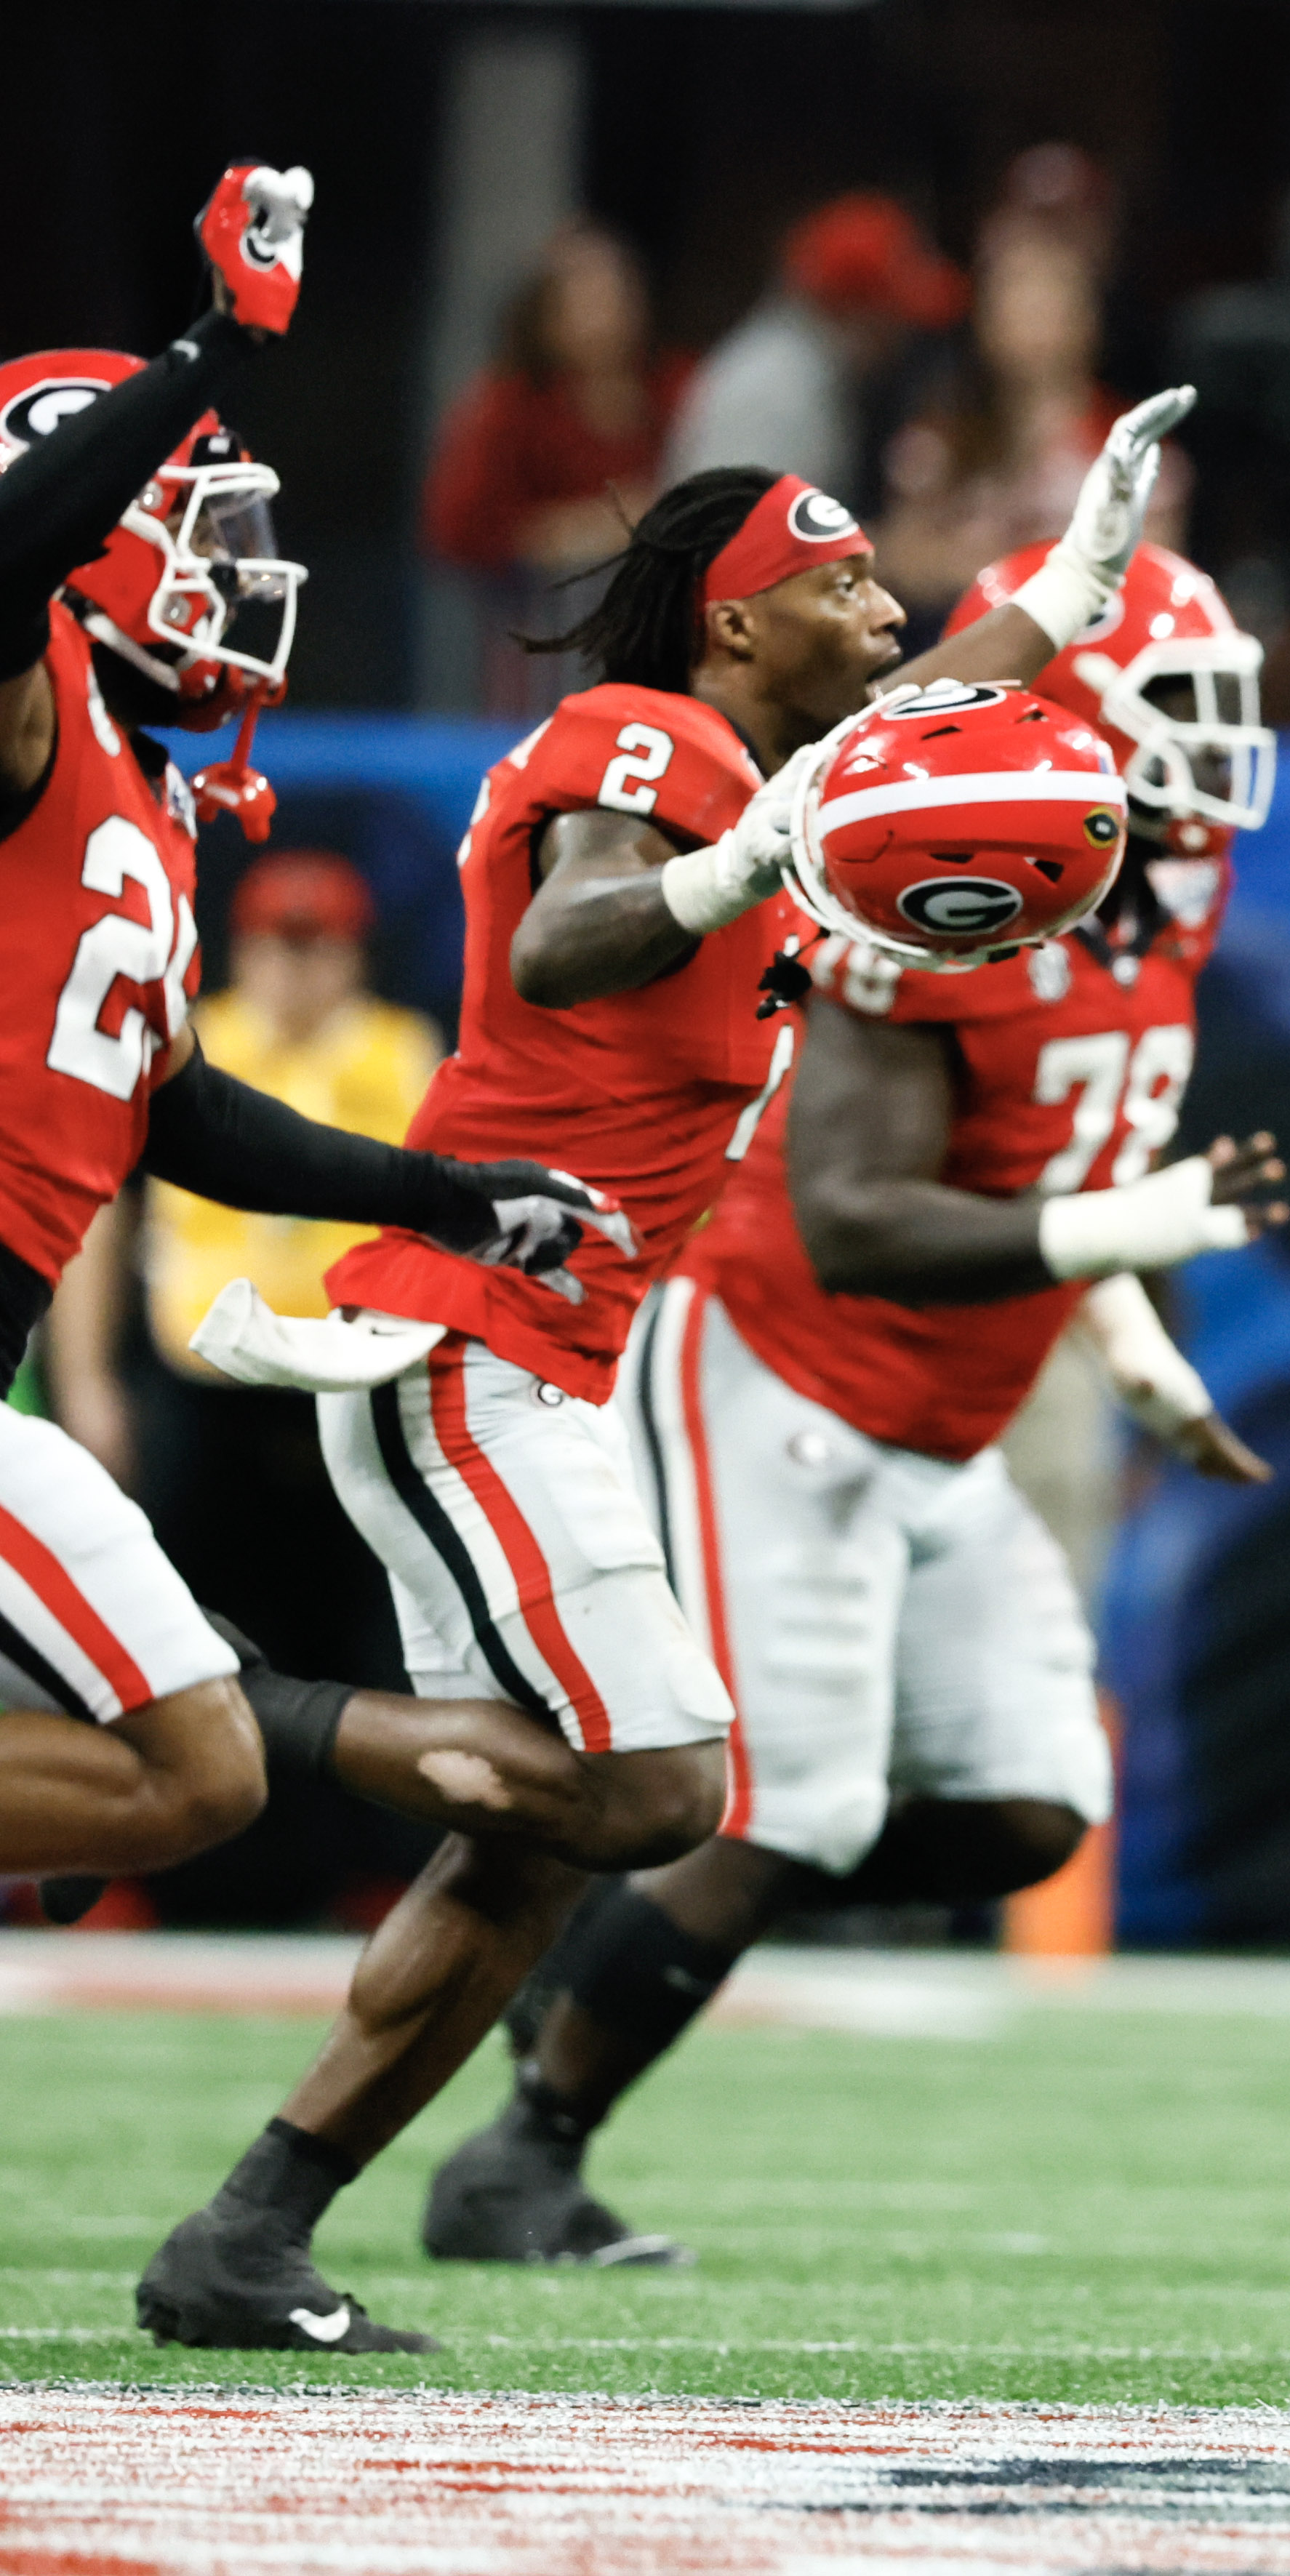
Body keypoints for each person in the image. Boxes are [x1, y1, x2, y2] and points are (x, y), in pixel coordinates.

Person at [132, 385, 1217, 2354]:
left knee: (540, 1843)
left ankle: (249, 2227)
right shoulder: (651, 740)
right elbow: (567, 939)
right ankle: (226, 1709)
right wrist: (745, 867)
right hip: (474, 1339)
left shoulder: (771, 765)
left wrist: (1077, 571)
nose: (887, 604)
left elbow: (948, 685)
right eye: (840, 580)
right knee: (659, 1783)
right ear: (732, 623)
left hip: (559, 1356)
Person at [417, 543, 1286, 2268]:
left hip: (939, 1421)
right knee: (794, 1806)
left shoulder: (1162, 891)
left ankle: (631, 1923)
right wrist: (1129, 1230)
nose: (1218, 746)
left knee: (1030, 1802)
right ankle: (519, 2154)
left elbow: (1062, 1162)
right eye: (1177, 706)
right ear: (1074, 711)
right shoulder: (938, 884)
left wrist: (1135, 1352)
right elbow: (859, 1217)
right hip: (784, 1371)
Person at [0, 169, 614, 1921]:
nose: (238, 578)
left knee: (192, 1774)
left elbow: (170, 1107)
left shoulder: (148, 797)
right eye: (196, 528)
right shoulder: (24, 683)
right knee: (187, 1764)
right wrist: (205, 349)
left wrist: (438, 1195)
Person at [46, 853, 444, 1921]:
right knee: (150, 1613)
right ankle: (118, 1860)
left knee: (376, 1626)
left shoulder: (403, 1049)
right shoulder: (187, 1039)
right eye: (281, 945)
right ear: (246, 948)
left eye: (320, 948)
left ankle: (383, 1867)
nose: (298, 972)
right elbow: (100, 1208)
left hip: (351, 1375)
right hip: (197, 1370)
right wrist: (86, 1378)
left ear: (354, 956)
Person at [420, 222, 687, 715]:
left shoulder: (676, 391)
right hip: (538, 654)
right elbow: (458, 529)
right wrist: (584, 529)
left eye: (616, 294)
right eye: (584, 299)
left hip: (662, 651)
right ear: (543, 316)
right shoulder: (506, 407)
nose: (606, 315)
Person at [870, 224, 1119, 625]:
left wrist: (974, 562)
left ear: (1087, 318)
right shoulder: (939, 439)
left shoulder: (1125, 445)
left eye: (1047, 298)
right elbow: (897, 559)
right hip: (952, 654)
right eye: (1012, 294)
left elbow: (1142, 578)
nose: (1028, 313)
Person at [662, 193, 967, 504]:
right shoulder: (775, 389)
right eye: (892, 317)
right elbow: (732, 541)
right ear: (856, 312)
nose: (902, 336)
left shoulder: (809, 371)